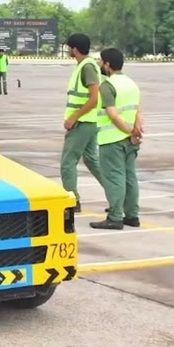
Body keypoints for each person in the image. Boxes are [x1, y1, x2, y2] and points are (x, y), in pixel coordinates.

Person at [91, 48, 144, 230]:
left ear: (107, 65)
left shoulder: (108, 85)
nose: (99, 65)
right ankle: (132, 215)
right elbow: (138, 110)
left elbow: (112, 114)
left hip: (113, 139)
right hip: (131, 140)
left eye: (100, 62)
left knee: (115, 178)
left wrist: (129, 131)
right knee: (130, 177)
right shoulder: (131, 84)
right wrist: (136, 131)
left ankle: (115, 217)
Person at [60, 33, 103, 212]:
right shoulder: (84, 66)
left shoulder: (87, 67)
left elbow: (94, 98)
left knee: (68, 162)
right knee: (92, 161)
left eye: (69, 47)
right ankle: (117, 193)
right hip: (87, 121)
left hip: (82, 123)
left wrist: (74, 117)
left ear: (75, 49)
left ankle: (72, 200)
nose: (68, 50)